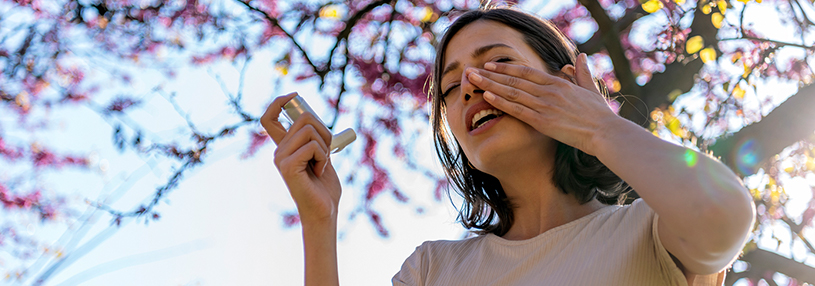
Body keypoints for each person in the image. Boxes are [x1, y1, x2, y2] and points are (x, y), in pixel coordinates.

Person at [260, 7, 755, 286]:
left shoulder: (650, 232)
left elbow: (725, 217)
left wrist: (599, 127)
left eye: (496, 62)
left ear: (566, 83)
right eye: (451, 88)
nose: (471, 86)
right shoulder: (434, 269)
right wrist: (319, 221)